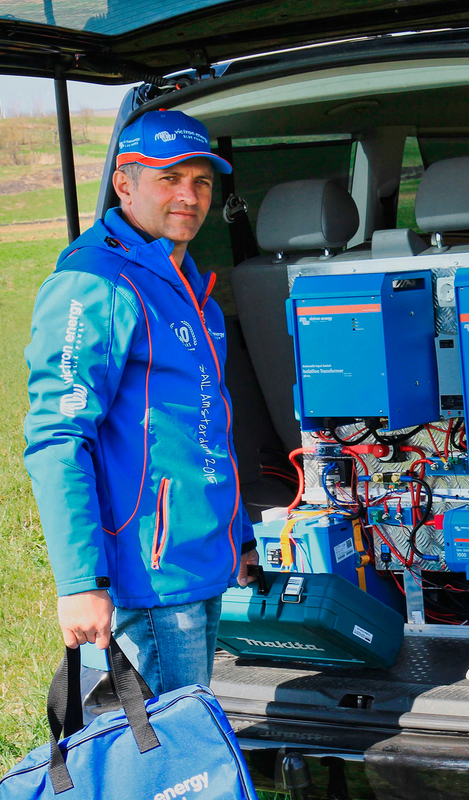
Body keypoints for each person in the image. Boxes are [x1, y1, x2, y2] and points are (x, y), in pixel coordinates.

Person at [24, 109, 258, 695]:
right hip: (146, 575)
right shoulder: (96, 283)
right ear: (124, 183)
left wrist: (241, 537)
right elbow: (57, 437)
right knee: (166, 764)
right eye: (169, 179)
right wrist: (81, 581)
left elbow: (197, 426)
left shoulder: (184, 278)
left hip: (198, 564)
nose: (189, 196)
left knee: (184, 739)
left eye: (201, 182)